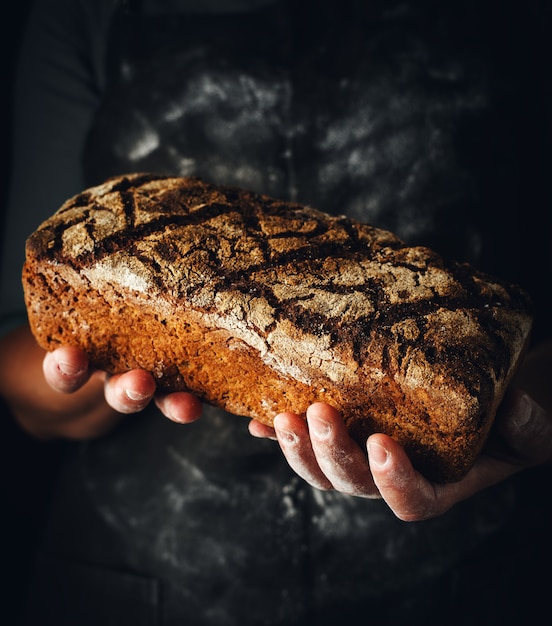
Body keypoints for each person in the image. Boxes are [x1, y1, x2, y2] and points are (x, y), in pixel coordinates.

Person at [1, 0, 551, 624]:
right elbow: (17, 373)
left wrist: (533, 404)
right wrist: (121, 361)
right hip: (144, 579)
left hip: (465, 581)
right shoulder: (80, 12)